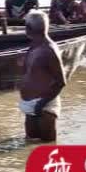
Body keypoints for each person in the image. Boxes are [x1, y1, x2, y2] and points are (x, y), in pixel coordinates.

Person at [19, 11, 66, 141]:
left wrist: (41, 104)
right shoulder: (35, 45)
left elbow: (61, 81)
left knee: (48, 148)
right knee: (30, 144)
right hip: (30, 105)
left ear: (29, 29)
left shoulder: (49, 50)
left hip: (44, 106)